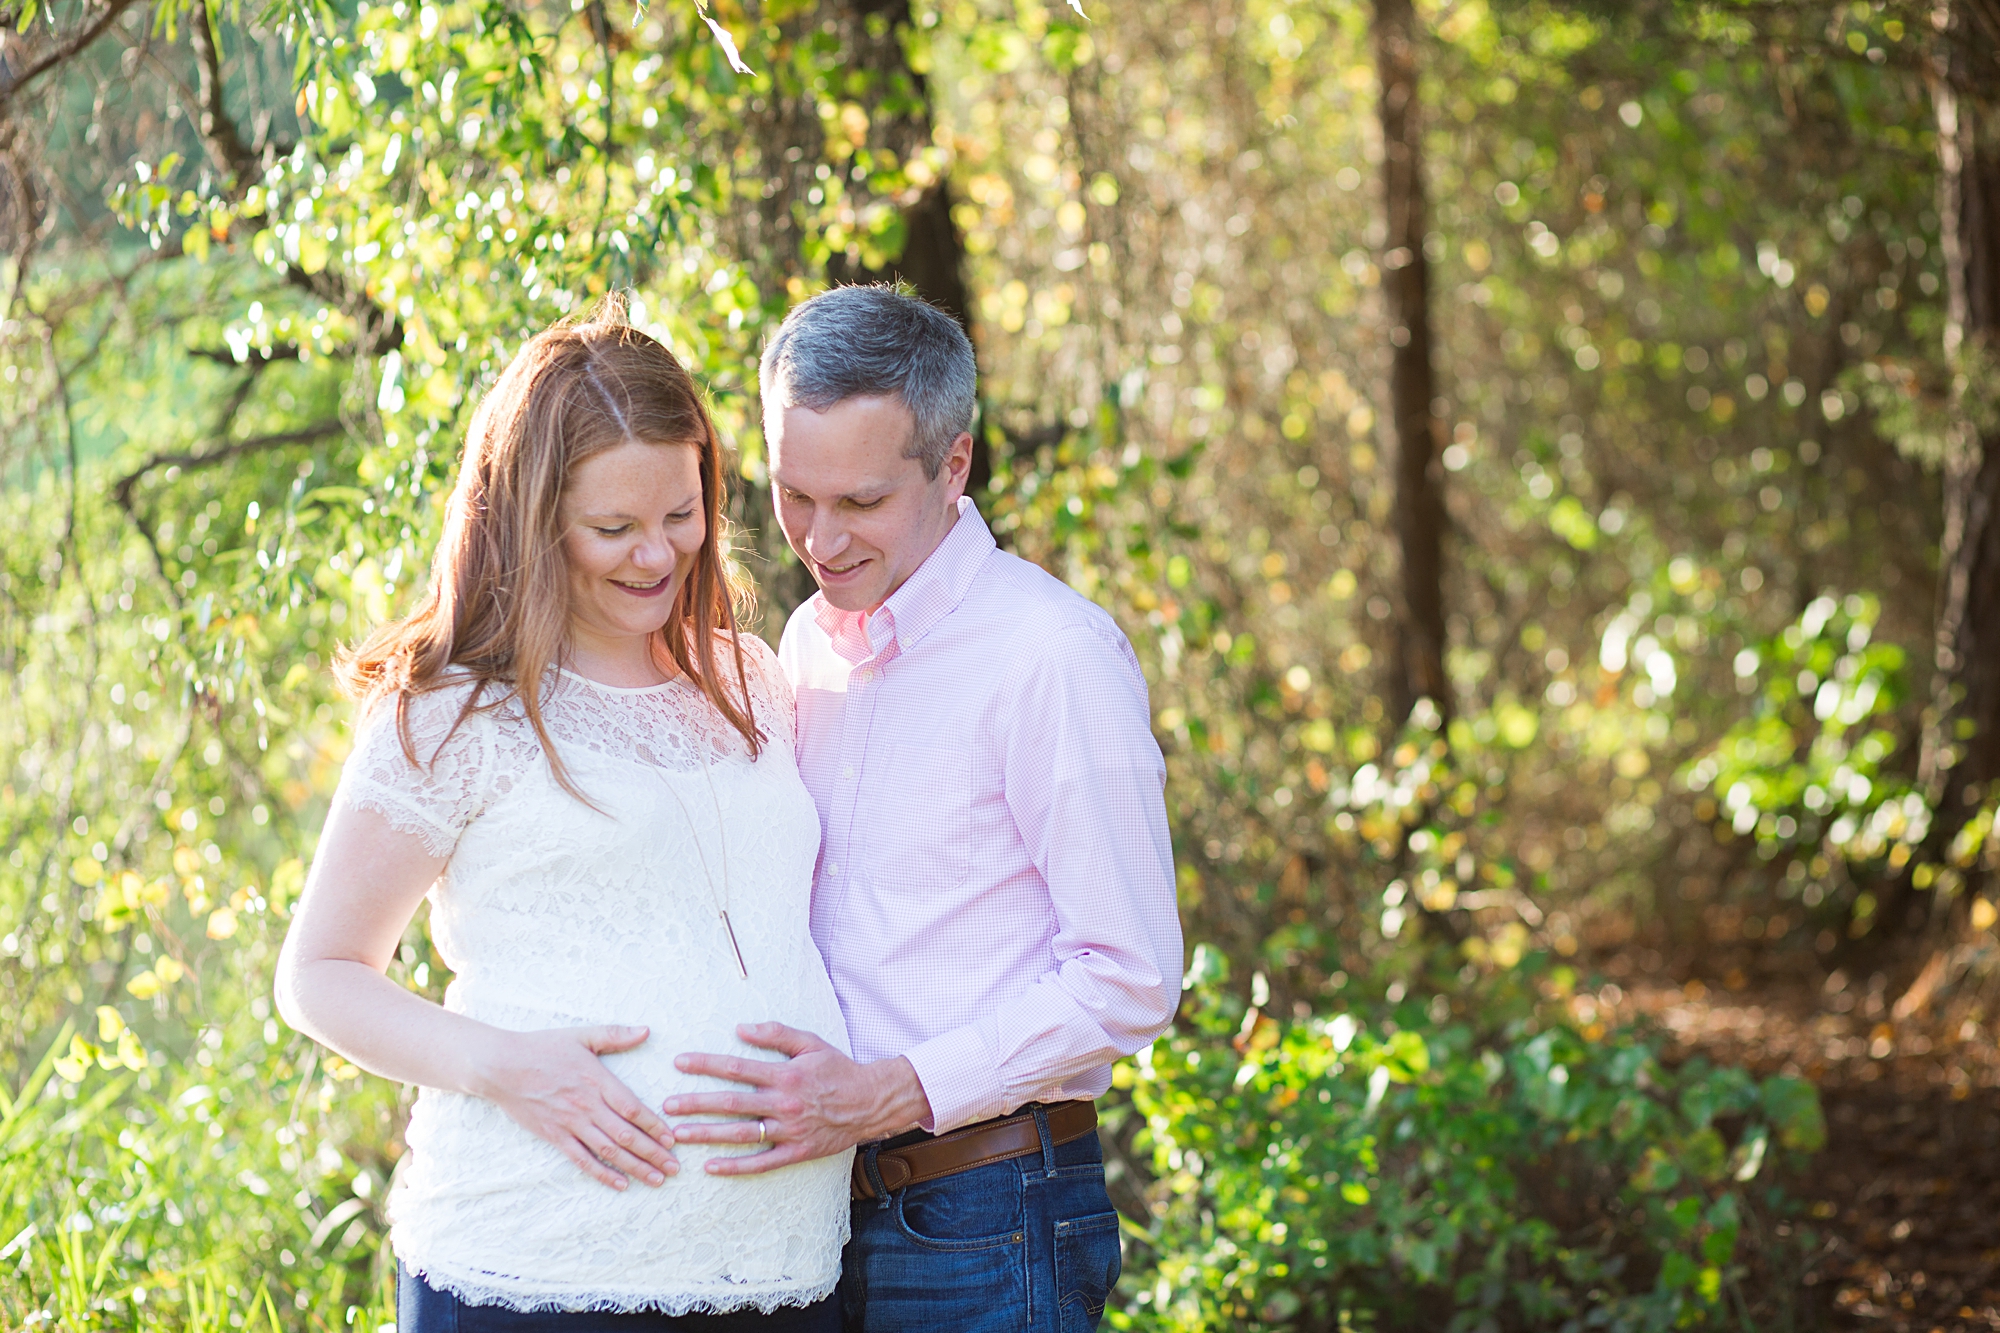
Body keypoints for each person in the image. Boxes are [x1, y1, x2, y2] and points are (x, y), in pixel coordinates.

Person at [274, 302, 850, 1332]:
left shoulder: (753, 679)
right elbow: (319, 973)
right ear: (533, 518)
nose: (656, 555)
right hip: (533, 1269)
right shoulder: (455, 714)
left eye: (680, 514)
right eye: (612, 528)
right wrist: (503, 1064)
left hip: (781, 1265)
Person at [661, 284, 1184, 1332]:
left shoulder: (1049, 658)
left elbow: (1130, 979)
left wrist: (891, 1091)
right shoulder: (804, 649)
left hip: (991, 1213)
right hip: (813, 1216)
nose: (818, 537)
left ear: (953, 467)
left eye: (859, 502)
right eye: (792, 496)